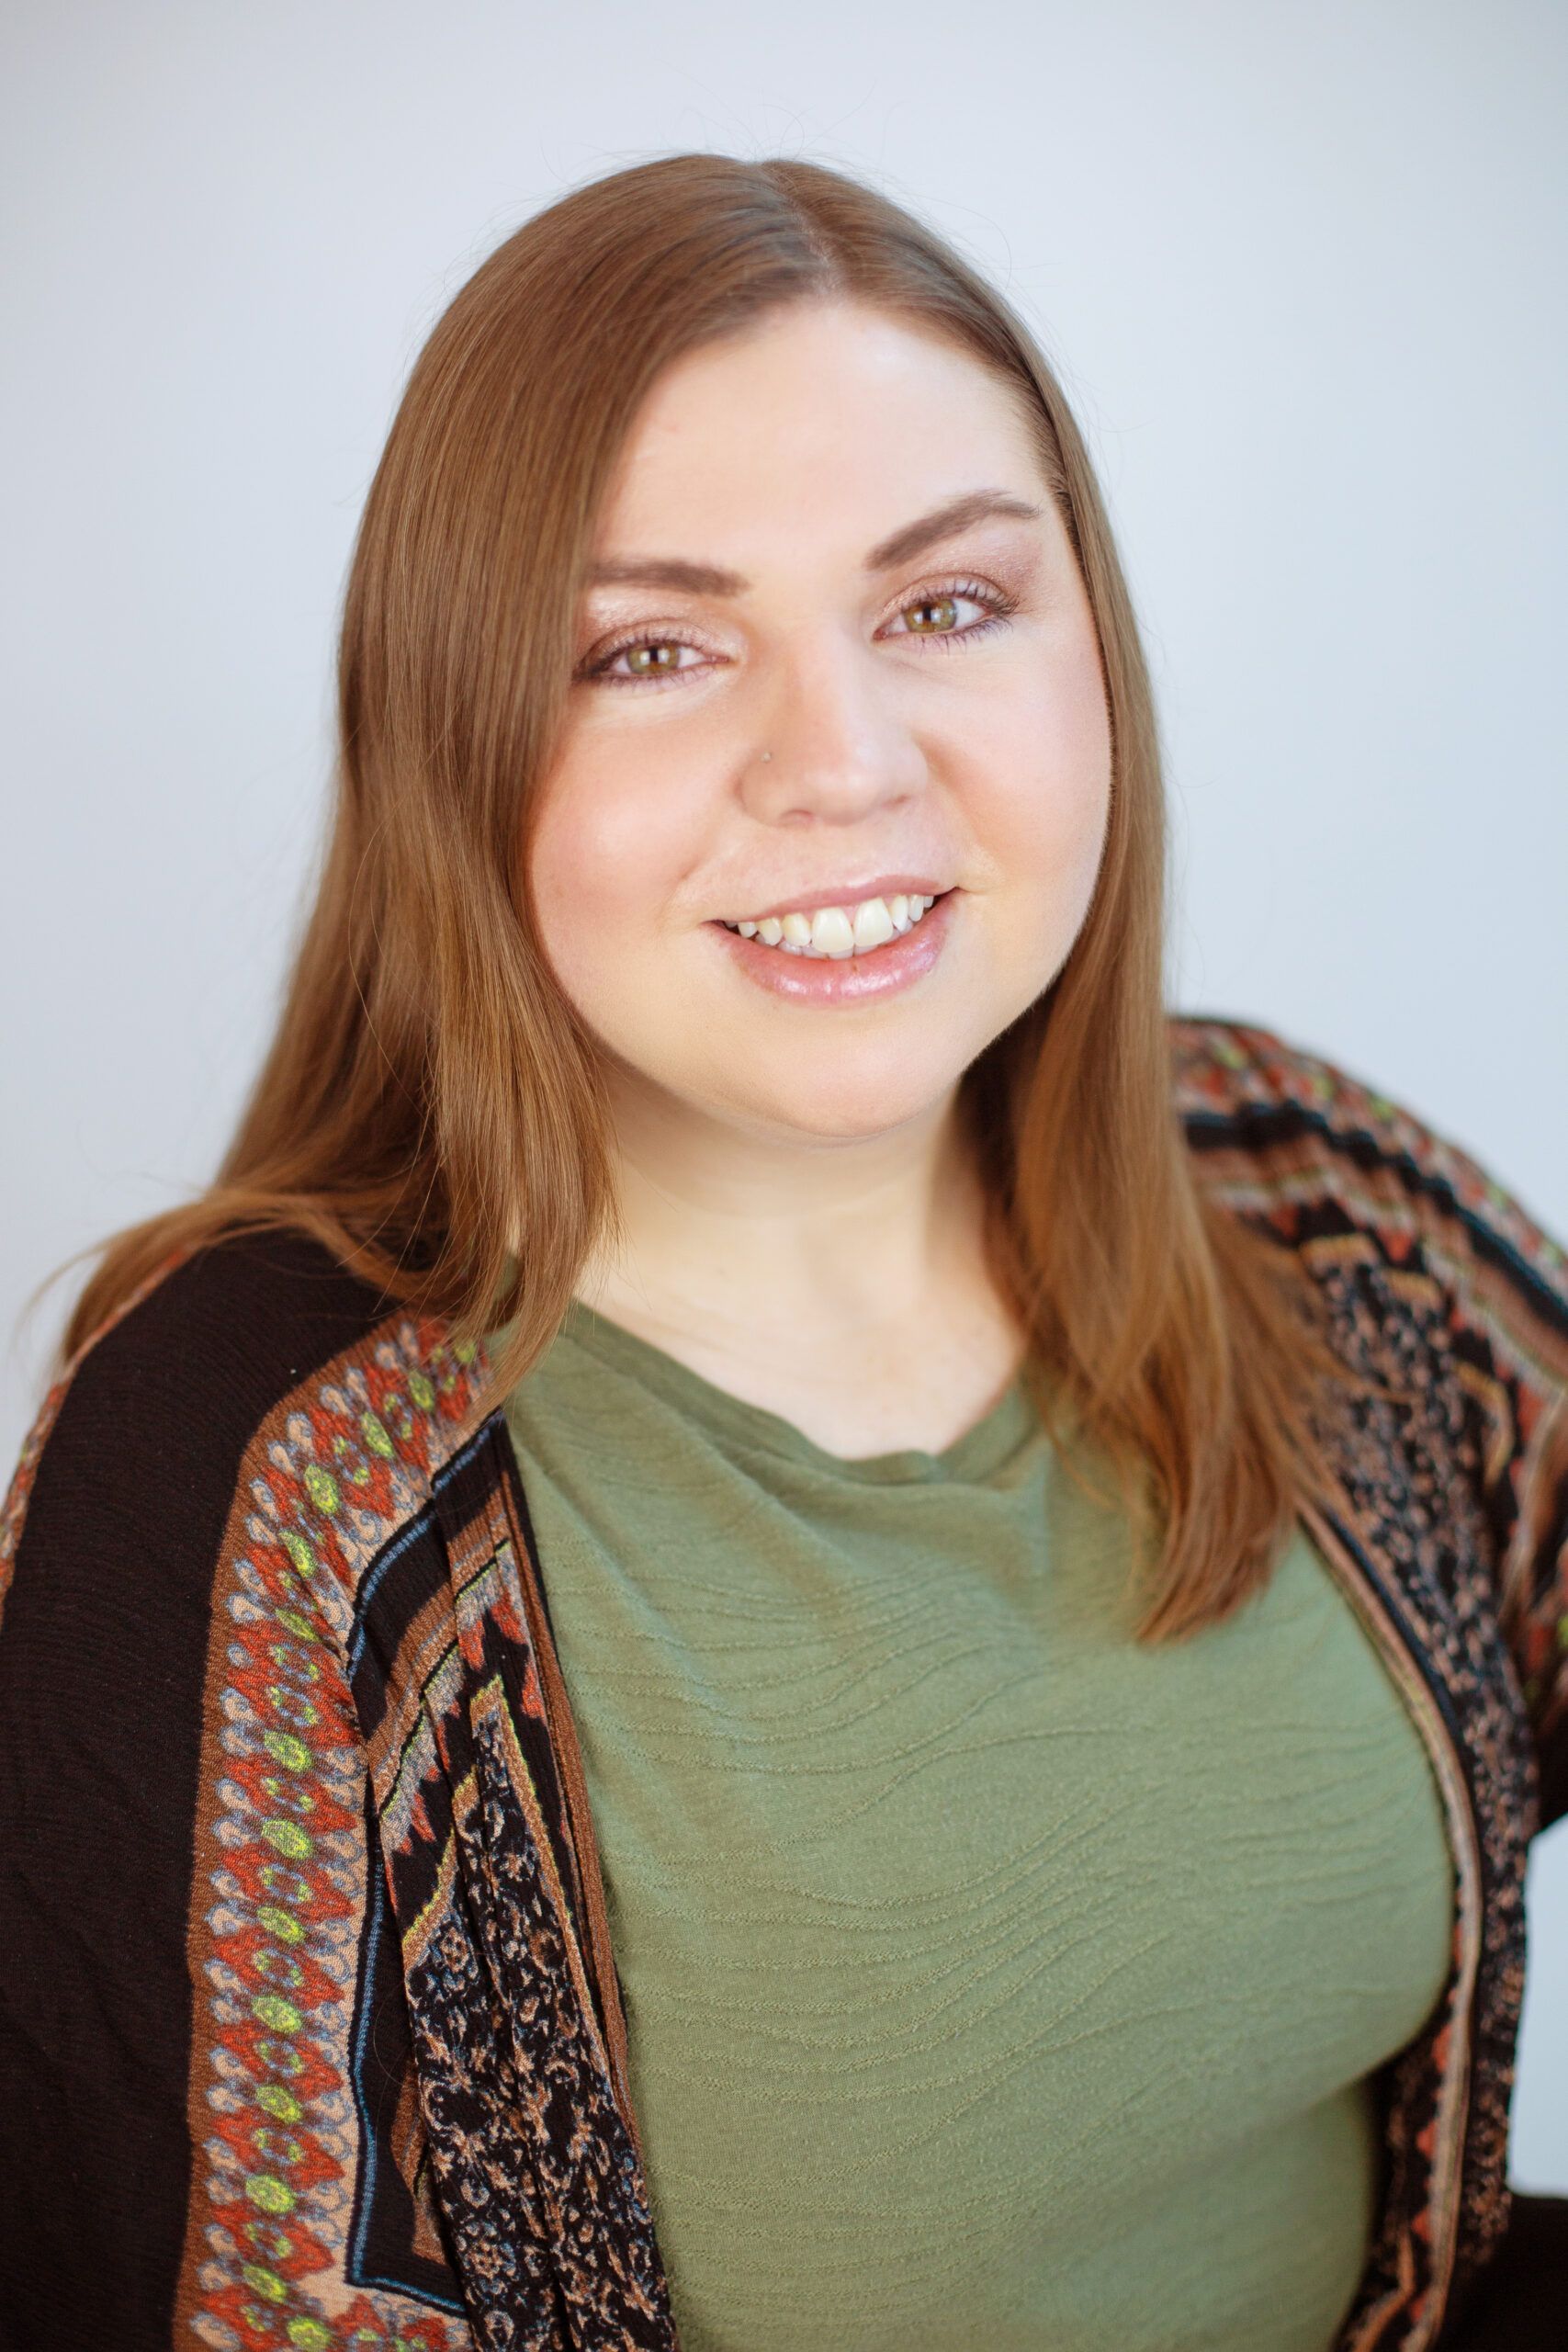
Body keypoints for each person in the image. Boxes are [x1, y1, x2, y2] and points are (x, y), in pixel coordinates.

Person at [0, 152, 1563, 2352]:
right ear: (457, 737)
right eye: (650, 647)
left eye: (942, 608)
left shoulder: (1304, 1204)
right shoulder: (258, 1463)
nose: (837, 765)